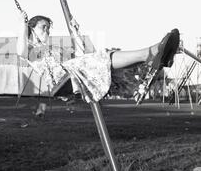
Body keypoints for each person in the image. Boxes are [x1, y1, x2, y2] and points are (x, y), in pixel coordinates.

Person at [16, 12, 180, 103]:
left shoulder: (54, 49)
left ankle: (151, 64)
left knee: (103, 60)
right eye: (43, 27)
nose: (47, 31)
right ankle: (152, 53)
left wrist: (76, 33)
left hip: (74, 73)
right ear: (31, 29)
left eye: (48, 28)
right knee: (102, 58)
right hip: (62, 80)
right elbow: (20, 51)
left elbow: (82, 56)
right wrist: (22, 26)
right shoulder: (31, 50)